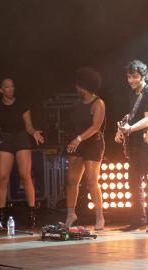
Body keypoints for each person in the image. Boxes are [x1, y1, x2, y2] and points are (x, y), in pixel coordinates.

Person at [115, 60, 148, 233]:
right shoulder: (133, 93)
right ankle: (139, 219)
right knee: (134, 182)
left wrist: (130, 128)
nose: (131, 80)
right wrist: (123, 128)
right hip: (135, 143)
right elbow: (134, 114)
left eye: (135, 77)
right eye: (129, 77)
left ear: (143, 76)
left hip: (147, 143)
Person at [0, 78, 44, 228]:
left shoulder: (22, 104)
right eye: (7, 87)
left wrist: (34, 132)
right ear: (1, 89)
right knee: (2, 177)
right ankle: (1, 215)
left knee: (25, 174)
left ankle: (32, 213)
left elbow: (28, 126)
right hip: (5, 139)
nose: (10, 89)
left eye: (12, 86)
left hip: (21, 137)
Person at [65, 67, 106, 230]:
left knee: (91, 180)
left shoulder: (98, 103)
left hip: (93, 144)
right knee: (71, 180)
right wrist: (74, 140)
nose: (76, 88)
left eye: (78, 86)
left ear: (84, 87)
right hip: (78, 143)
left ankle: (99, 216)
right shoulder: (77, 103)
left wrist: (78, 139)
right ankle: (70, 215)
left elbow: (96, 126)